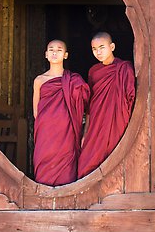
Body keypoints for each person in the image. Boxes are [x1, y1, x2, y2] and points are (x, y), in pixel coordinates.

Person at [77, 31, 136, 179]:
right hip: (96, 123)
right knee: (86, 163)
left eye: (102, 47)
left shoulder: (124, 68)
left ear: (112, 46)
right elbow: (90, 104)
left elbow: (130, 98)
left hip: (117, 121)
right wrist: (86, 132)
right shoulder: (94, 71)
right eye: (94, 49)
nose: (98, 52)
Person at [32, 39, 90, 186]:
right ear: (46, 54)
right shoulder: (39, 80)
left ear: (65, 55)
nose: (54, 52)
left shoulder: (73, 80)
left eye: (59, 50)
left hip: (67, 131)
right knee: (43, 162)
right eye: (51, 49)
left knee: (66, 171)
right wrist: (46, 125)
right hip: (46, 131)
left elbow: (85, 106)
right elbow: (36, 110)